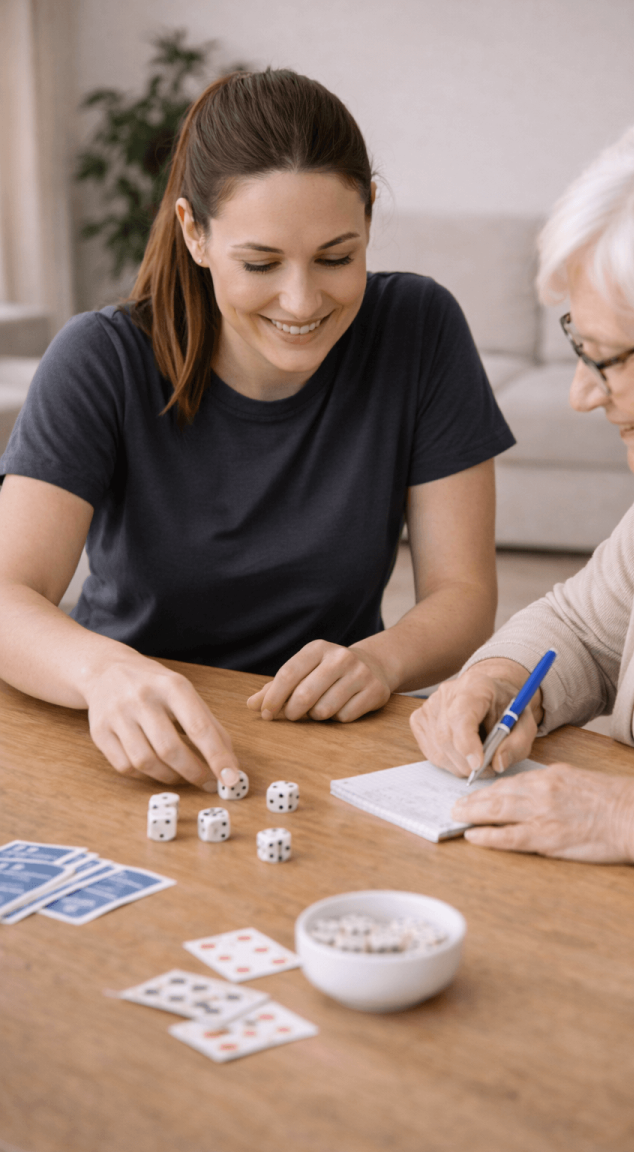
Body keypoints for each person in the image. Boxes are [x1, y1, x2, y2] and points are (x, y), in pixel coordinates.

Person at [0, 69, 513, 793]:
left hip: (329, 742)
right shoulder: (102, 358)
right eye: (261, 263)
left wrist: (382, 660)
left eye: (337, 257)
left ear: (369, 219)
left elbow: (463, 593)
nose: (302, 301)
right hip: (132, 734)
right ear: (194, 233)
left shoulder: (420, 329)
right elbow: (6, 593)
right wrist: (104, 671)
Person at [411, 88, 634, 928]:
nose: (580, 394)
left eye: (605, 358)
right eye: (578, 347)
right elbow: (582, 625)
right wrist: (499, 681)